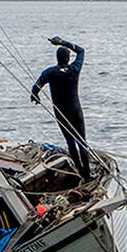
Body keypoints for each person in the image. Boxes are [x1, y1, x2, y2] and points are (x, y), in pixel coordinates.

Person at [30, 36, 90, 180]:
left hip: (61, 113)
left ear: (57, 58)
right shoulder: (74, 69)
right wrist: (62, 42)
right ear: (68, 58)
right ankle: (87, 174)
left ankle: (80, 171)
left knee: (70, 141)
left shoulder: (50, 72)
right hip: (75, 111)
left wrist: (36, 97)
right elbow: (81, 51)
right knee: (82, 141)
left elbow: (35, 88)